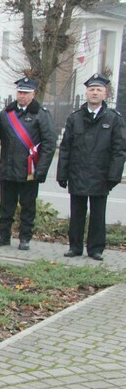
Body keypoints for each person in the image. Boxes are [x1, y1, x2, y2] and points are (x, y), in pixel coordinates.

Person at [56, 73, 126, 261]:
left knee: (97, 214)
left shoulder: (114, 119)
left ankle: (96, 249)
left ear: (105, 94)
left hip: (101, 175)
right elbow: (65, 148)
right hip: (77, 173)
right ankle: (75, 247)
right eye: (91, 89)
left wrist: (114, 175)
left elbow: (119, 150)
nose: (94, 93)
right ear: (86, 93)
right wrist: (62, 174)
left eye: (98, 90)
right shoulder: (75, 118)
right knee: (77, 213)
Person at [0, 77, 56, 251]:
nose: (22, 96)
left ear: (33, 94)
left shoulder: (41, 114)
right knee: (6, 207)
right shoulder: (6, 113)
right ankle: (3, 236)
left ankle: (25, 238)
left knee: (27, 207)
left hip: (29, 170)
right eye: (20, 92)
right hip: (7, 168)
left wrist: (41, 170)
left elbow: (49, 144)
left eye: (26, 93)